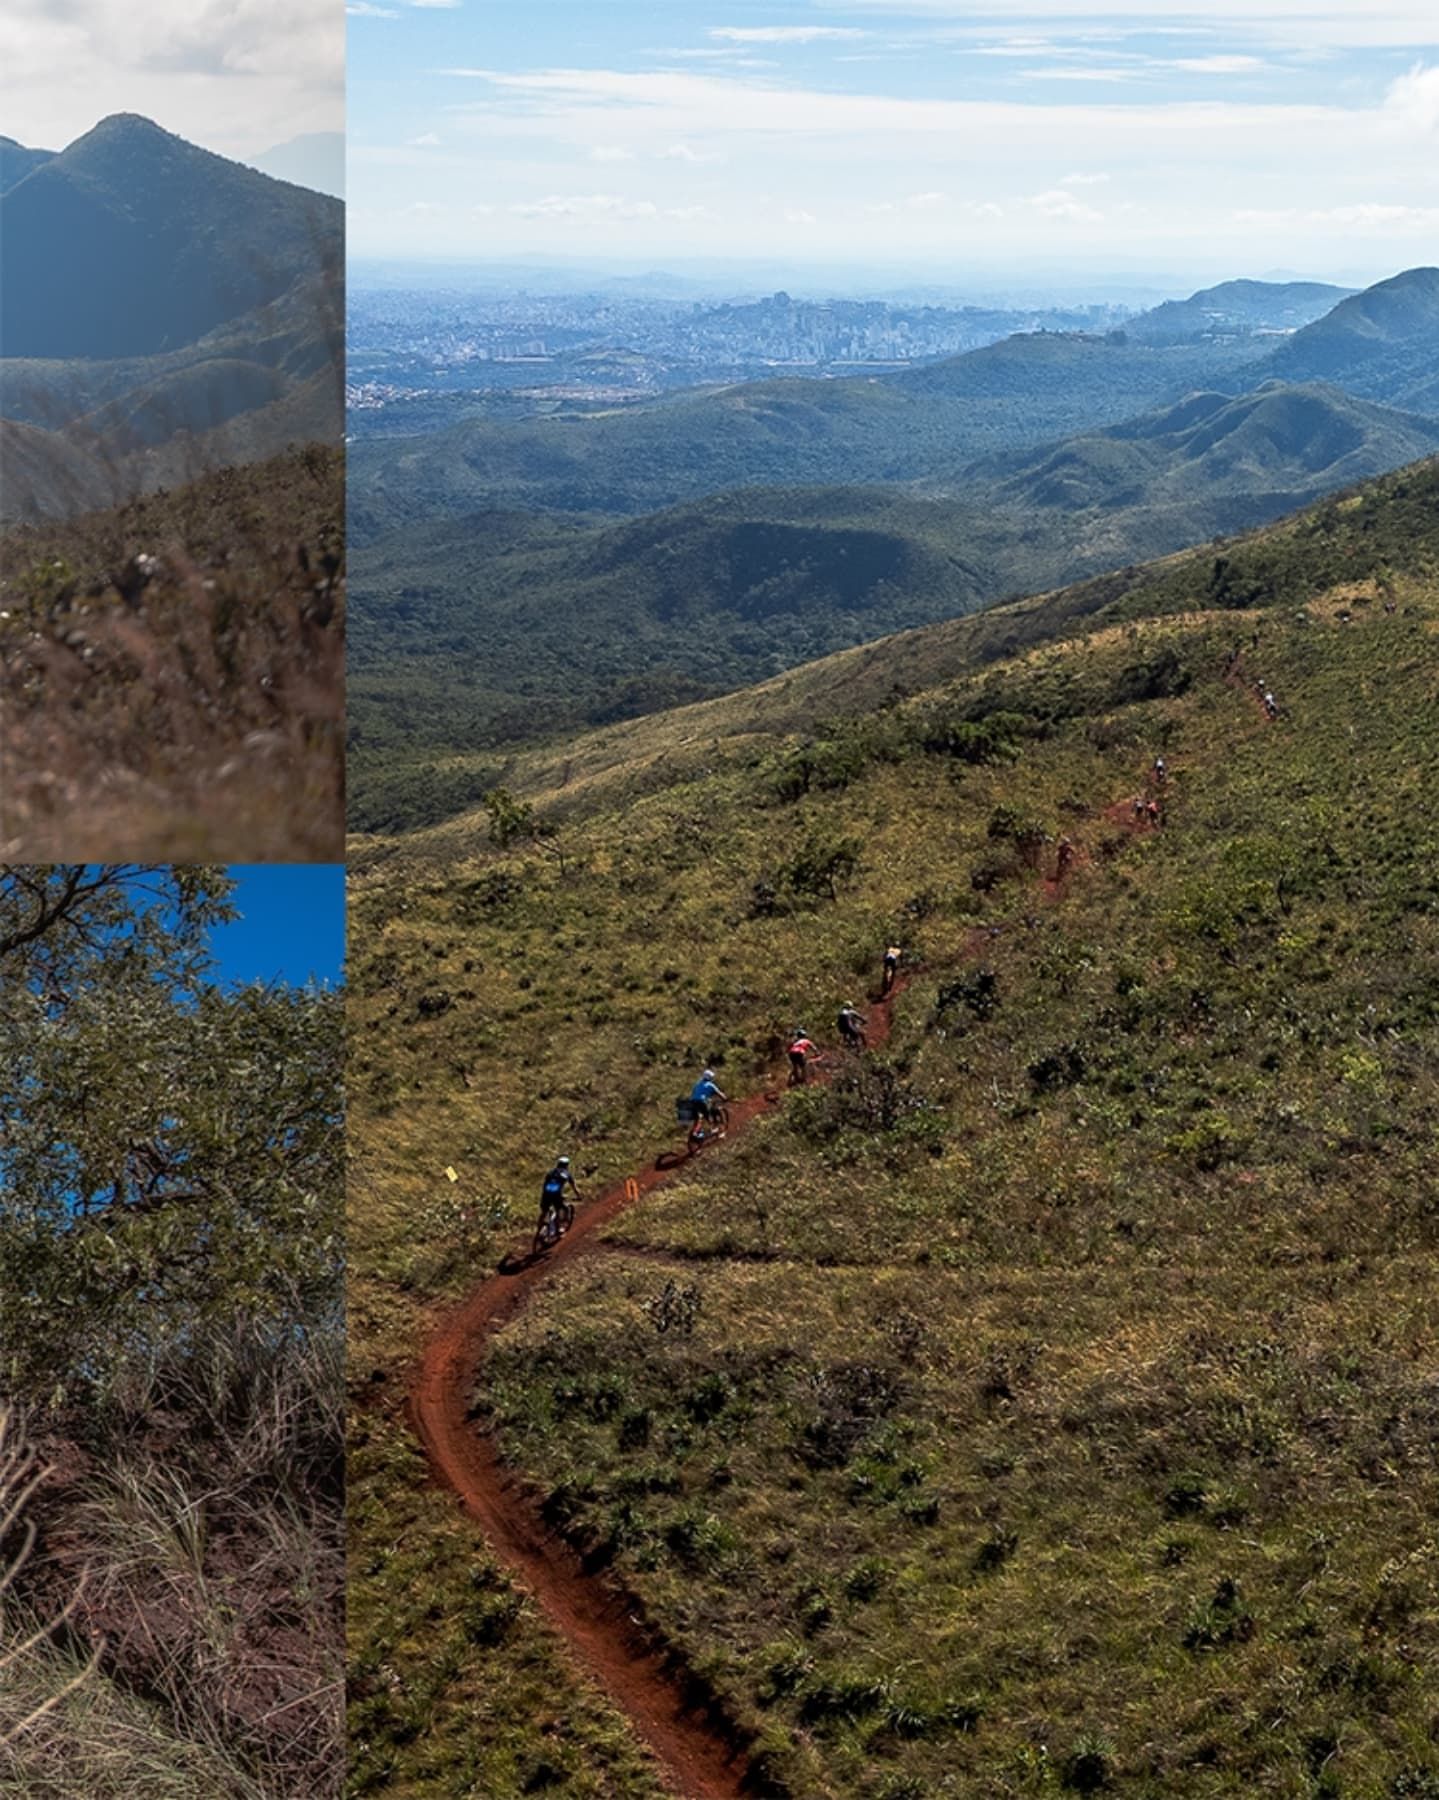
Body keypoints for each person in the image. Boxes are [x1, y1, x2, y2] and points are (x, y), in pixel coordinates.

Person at [538, 1155, 581, 1240]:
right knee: (559, 1210)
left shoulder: (550, 1173)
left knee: (544, 1211)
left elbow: (545, 1185)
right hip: (556, 1195)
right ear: (567, 1165)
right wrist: (578, 1196)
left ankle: (539, 1228)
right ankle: (558, 1230)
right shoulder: (567, 1174)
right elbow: (574, 1187)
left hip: (546, 1194)